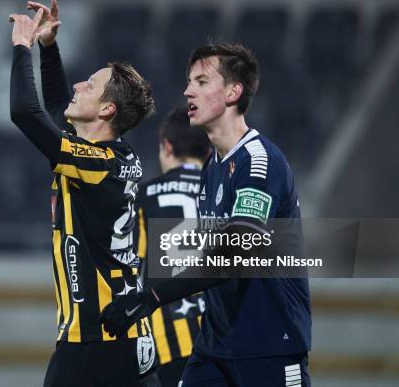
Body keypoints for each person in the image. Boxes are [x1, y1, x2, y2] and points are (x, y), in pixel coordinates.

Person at [101, 43, 312, 387]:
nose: (187, 91)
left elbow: (235, 251)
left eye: (201, 81)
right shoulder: (211, 169)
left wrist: (152, 296)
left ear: (233, 92)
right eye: (188, 82)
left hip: (269, 347)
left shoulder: (259, 162)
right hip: (215, 348)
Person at [9, 0, 159, 386]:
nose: (79, 84)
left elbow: (27, 113)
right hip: (129, 335)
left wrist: (23, 48)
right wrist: (49, 47)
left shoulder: (95, 163)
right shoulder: (116, 156)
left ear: (107, 109)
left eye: (90, 85)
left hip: (95, 340)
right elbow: (61, 108)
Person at [135, 106, 210, 386]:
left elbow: (130, 268)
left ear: (167, 147)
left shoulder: (143, 196)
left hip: (168, 345)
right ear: (208, 152)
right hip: (224, 343)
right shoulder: (226, 193)